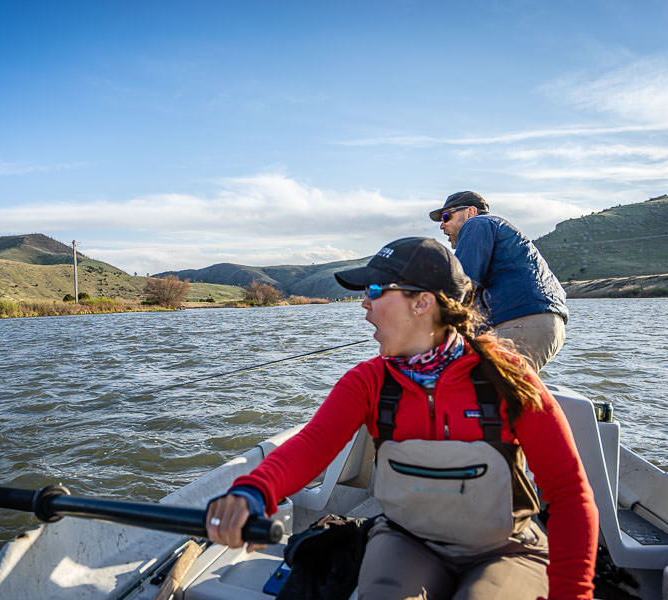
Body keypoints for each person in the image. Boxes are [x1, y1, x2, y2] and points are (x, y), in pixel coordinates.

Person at [206, 237, 598, 600]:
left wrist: (572, 593)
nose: (364, 304)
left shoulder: (506, 378)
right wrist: (253, 492)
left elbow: (569, 495)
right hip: (406, 540)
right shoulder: (368, 382)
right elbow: (312, 445)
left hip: (503, 548)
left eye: (375, 291)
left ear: (422, 303)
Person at [429, 191, 567, 370]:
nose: (442, 225)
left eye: (447, 216)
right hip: (543, 322)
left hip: (520, 324)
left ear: (471, 212)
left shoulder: (477, 223)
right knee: (504, 391)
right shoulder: (500, 230)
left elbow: (462, 284)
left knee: (484, 389)